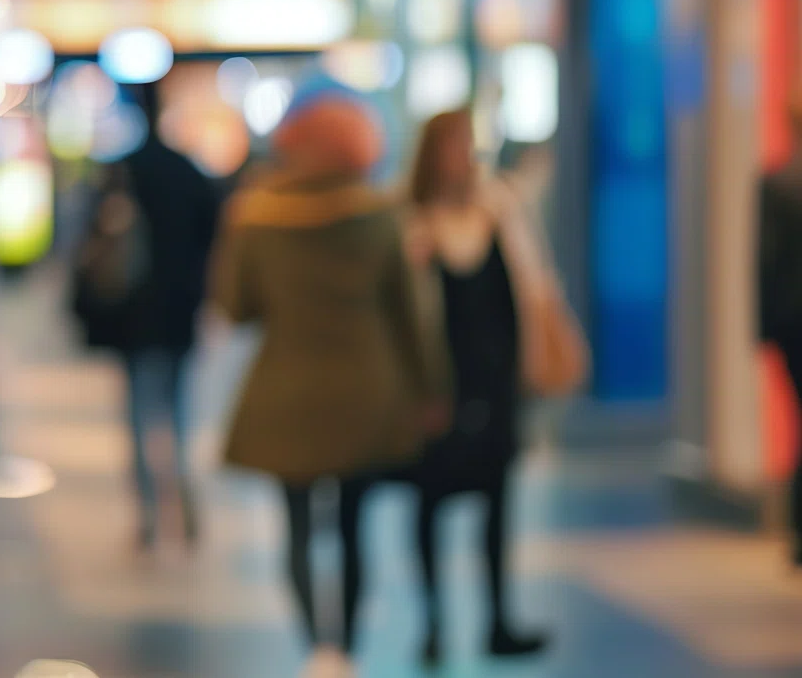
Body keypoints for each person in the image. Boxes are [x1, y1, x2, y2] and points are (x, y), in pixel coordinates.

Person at [212, 83, 448, 678]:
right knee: (352, 526)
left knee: (295, 528)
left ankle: (318, 649)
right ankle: (344, 648)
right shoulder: (379, 213)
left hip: (285, 393)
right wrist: (430, 389)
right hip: (367, 390)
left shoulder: (257, 214)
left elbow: (237, 308)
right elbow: (411, 314)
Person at [404, 111, 564, 666]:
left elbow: (529, 292)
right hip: (435, 386)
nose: (464, 157)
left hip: (495, 383)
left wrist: (531, 369)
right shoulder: (412, 225)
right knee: (429, 504)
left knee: (498, 501)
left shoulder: (498, 212)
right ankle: (433, 620)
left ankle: (498, 617)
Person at [73, 91, 222, 549]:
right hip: (178, 310)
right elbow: (212, 237)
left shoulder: (122, 172)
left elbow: (91, 242)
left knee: (139, 413)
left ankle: (149, 514)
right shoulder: (188, 171)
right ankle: (180, 491)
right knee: (177, 412)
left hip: (133, 312)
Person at [759, 136, 802, 567]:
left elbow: (765, 261)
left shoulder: (777, 182)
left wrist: (763, 328)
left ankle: (797, 527)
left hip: (791, 324)